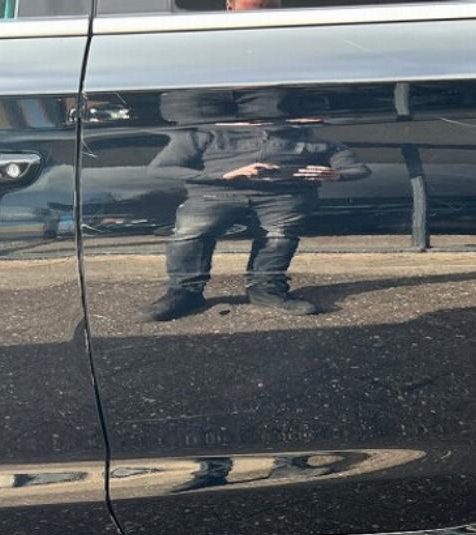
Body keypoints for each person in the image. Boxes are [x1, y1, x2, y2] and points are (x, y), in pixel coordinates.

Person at [143, 0, 370, 321]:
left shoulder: (306, 135)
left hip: (285, 196)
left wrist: (335, 175)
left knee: (279, 236)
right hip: (214, 194)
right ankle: (184, 292)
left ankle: (266, 289)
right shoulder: (208, 130)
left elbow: (357, 168)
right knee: (191, 234)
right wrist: (226, 176)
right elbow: (160, 169)